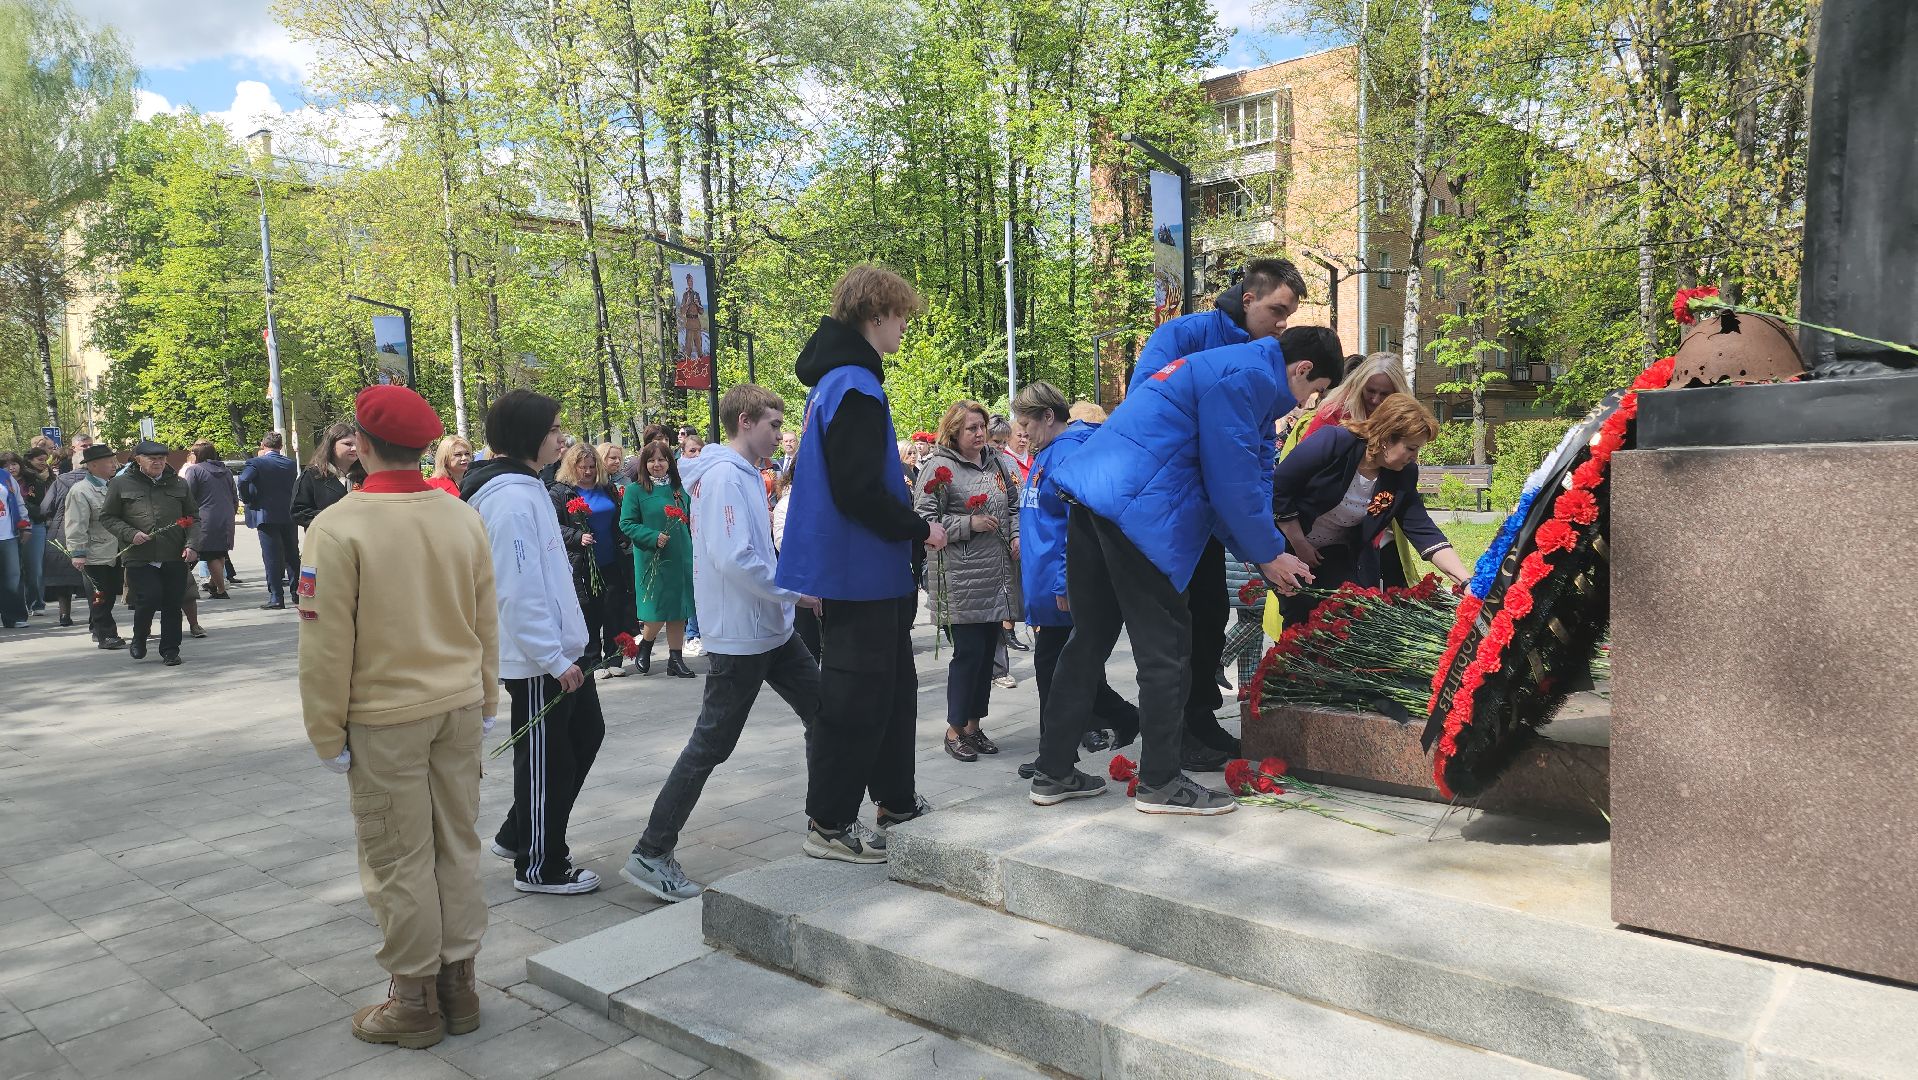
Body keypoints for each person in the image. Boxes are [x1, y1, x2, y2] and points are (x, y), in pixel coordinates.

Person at [1031, 326, 1341, 814]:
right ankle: (1159, 782)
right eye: (1314, 390)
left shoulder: (1231, 367)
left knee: (1087, 640)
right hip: (1138, 511)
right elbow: (1230, 478)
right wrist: (1266, 554)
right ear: (1301, 370)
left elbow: (1254, 474)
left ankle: (1053, 771)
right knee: (1168, 649)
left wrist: (1266, 553)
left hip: (1096, 497)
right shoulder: (1251, 378)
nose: (1307, 403)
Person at [296, 384, 498, 1050]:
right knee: (457, 846)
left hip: (384, 717)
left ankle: (413, 1002)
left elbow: (325, 642)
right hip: (459, 705)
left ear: (363, 442)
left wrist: (326, 730)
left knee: (397, 859)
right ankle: (459, 986)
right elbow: (484, 620)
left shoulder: (339, 526)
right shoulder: (458, 515)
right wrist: (488, 697)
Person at [621, 384, 823, 902]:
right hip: (741, 636)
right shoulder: (727, 478)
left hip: (767, 631)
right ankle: (651, 850)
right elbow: (736, 558)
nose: (780, 436)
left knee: (825, 713)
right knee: (711, 743)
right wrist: (793, 593)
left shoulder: (739, 475)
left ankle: (828, 822)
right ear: (746, 422)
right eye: (774, 425)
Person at [776, 263, 947, 863]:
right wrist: (918, 526)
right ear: (876, 316)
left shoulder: (846, 381)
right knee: (854, 699)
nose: (905, 327)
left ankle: (895, 801)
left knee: (894, 692)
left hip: (870, 571)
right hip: (858, 571)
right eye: (901, 316)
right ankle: (827, 823)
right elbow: (857, 488)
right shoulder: (853, 384)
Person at [1122, 260, 1309, 770]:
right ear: (1248, 297)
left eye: (1289, 315)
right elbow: (1145, 409)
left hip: (1208, 512)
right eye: (1276, 310)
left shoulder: (1262, 358)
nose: (1281, 323)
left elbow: (1256, 449)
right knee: (1173, 627)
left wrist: (1261, 533)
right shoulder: (1184, 334)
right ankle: (1172, 733)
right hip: (1168, 505)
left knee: (1209, 614)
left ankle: (1199, 719)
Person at [463, 390, 602, 896]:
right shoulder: (511, 498)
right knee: (549, 758)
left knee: (586, 733)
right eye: (552, 430)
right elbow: (517, 587)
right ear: (528, 436)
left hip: (558, 649)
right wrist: (550, 655)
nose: (561, 438)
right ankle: (540, 863)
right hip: (538, 657)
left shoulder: (526, 486)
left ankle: (519, 830)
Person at [1011, 380, 1141, 779]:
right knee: (1062, 669)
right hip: (1047, 586)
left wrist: (1065, 583)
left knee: (1059, 672)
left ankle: (1058, 755)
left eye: (1027, 425)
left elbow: (1074, 528)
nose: (1023, 434)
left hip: (1062, 588)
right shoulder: (1049, 453)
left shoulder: (1068, 454)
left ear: (1048, 417)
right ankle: (1078, 741)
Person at [1271, 393, 1468, 626]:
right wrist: (1299, 543)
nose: (1415, 457)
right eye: (1411, 448)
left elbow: (1422, 529)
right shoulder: (1332, 442)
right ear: (1386, 438)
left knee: (1349, 619)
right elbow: (1278, 488)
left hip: (1338, 552)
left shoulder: (1403, 474)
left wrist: (1466, 582)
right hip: (1285, 545)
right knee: (1301, 616)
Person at [916, 400, 1020, 763]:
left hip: (996, 574)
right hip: (961, 577)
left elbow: (1013, 507)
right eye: (971, 429)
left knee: (987, 654)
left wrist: (1017, 535)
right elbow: (923, 520)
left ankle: (974, 726)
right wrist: (967, 524)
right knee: (968, 654)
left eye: (982, 427)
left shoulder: (997, 463)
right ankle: (954, 728)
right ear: (954, 432)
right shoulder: (938, 467)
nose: (979, 434)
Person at [100, 441, 200, 666]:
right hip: (139, 555)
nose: (158, 462)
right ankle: (139, 637)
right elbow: (108, 517)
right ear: (137, 459)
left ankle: (170, 650)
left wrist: (192, 544)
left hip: (173, 553)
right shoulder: (120, 484)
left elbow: (194, 517)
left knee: (173, 602)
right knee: (149, 597)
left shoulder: (179, 484)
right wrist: (129, 533)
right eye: (152, 458)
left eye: (162, 458)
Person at [550, 444, 629, 678]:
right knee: (588, 611)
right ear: (572, 467)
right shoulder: (561, 492)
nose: (587, 472)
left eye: (592, 467)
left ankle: (614, 657)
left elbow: (618, 518)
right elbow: (553, 527)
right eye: (582, 467)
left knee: (612, 607)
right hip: (580, 562)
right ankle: (594, 661)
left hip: (610, 558)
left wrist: (623, 539)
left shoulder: (607, 488)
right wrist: (577, 536)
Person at [620, 441, 696, 678]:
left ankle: (676, 659)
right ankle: (646, 643)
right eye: (652, 460)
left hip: (680, 556)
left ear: (669, 462)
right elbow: (626, 523)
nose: (657, 464)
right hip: (653, 557)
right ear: (645, 464)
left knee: (679, 608)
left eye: (662, 459)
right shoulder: (636, 490)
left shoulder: (679, 488)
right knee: (656, 608)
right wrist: (652, 536)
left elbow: (692, 518)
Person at [62, 444, 126, 648]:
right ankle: (106, 634)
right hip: (93, 551)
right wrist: (77, 552)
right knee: (99, 595)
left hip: (114, 550)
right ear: (93, 465)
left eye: (113, 460)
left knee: (108, 594)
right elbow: (75, 524)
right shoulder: (81, 491)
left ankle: (97, 628)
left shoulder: (112, 485)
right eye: (109, 461)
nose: (113, 465)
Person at [239, 433, 300, 610]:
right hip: (288, 514)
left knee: (272, 557)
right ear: (280, 446)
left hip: (265, 515)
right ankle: (297, 593)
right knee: (292, 555)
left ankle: (276, 597)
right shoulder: (289, 463)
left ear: (262, 444)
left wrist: (248, 498)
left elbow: (243, 479)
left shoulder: (256, 463)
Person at [1297, 351, 1412, 443]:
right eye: (1370, 391)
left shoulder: (1405, 420)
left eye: (1384, 394)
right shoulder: (1334, 413)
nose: (1375, 400)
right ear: (1359, 386)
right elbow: (1301, 460)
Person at [39, 447, 90, 626]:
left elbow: (45, 507)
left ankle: (64, 616)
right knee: (92, 576)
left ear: (73, 465)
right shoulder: (97, 482)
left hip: (60, 533)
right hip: (89, 532)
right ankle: (95, 615)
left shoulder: (59, 481)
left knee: (63, 580)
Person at [182, 441, 238, 600]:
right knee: (220, 551)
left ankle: (221, 589)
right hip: (226, 514)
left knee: (211, 553)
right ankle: (214, 584)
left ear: (198, 454)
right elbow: (234, 495)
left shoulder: (194, 470)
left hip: (205, 515)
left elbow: (189, 496)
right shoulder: (225, 471)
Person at [295, 422, 358, 528]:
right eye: (348, 444)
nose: (354, 448)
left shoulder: (365, 475)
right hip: (327, 539)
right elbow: (298, 512)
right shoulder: (313, 475)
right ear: (332, 445)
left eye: (357, 444)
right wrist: (333, 519)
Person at [17, 446, 55, 616]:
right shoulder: (26, 478)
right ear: (29, 460)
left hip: (38, 523)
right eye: (40, 459)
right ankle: (21, 602)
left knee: (35, 566)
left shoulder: (46, 477)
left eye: (45, 459)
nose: (43, 463)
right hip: (22, 522)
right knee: (17, 567)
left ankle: (37, 603)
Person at [0, 457, 30, 628]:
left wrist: (26, 526)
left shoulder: (5, 476)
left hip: (8, 535)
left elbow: (19, 502)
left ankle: (15, 616)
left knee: (13, 577)